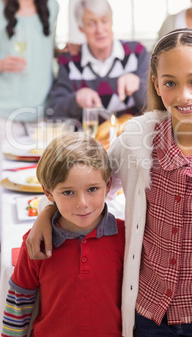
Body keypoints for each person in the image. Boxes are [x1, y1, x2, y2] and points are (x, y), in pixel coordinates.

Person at [26, 28, 192, 336]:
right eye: (170, 83)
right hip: (147, 315)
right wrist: (47, 212)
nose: (183, 95)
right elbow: (88, 180)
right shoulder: (138, 142)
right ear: (155, 84)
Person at [2, 133, 125, 337]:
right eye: (68, 192)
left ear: (108, 185)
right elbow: (19, 301)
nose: (82, 203)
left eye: (92, 189)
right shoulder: (36, 241)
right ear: (49, 193)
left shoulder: (124, 238)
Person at [46, 0, 150, 122]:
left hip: (133, 137)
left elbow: (157, 108)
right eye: (91, 24)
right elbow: (53, 113)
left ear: (112, 21)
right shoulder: (69, 62)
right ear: (81, 28)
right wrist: (76, 99)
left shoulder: (137, 53)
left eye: (104, 21)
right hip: (87, 140)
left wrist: (139, 86)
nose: (100, 29)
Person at [0, 0, 59, 136]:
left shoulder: (52, 6)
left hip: (43, 115)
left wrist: (65, 51)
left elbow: (45, 48)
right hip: (4, 117)